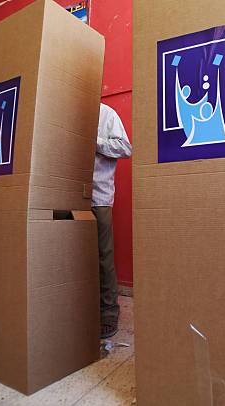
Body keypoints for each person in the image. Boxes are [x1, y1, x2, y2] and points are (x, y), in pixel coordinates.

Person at [92, 103, 132, 339]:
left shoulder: (106, 113)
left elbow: (126, 148)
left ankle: (108, 314)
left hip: (98, 196)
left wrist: (93, 141)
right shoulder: (64, 113)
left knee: (102, 256)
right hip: (67, 193)